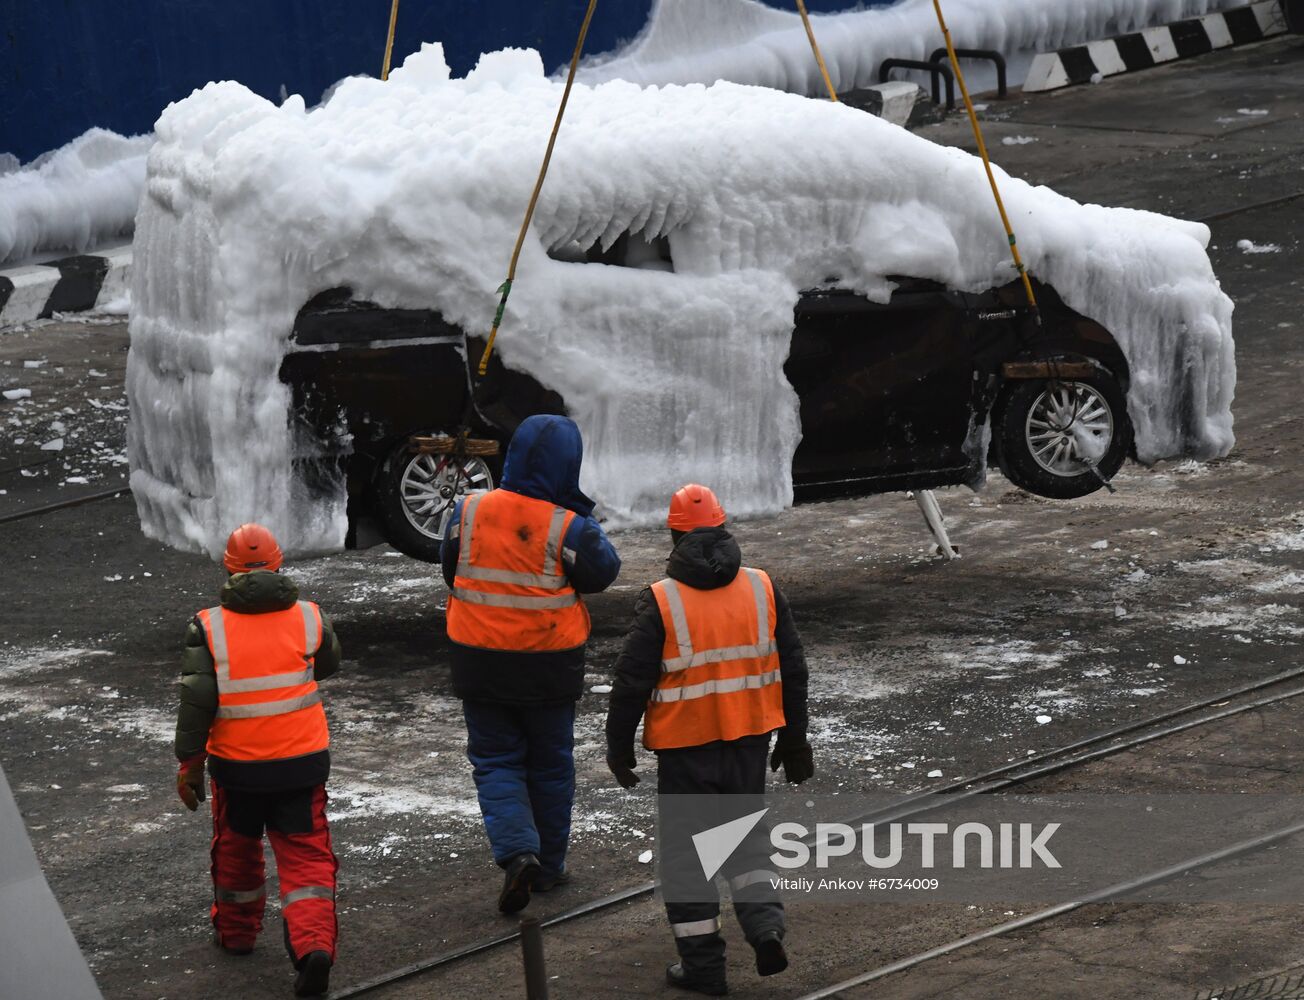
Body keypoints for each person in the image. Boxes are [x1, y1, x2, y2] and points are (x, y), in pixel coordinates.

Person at [605, 484, 813, 996]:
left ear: (675, 535)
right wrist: (793, 739)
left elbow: (631, 680)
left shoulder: (662, 600)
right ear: (723, 527)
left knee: (688, 861)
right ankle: (765, 931)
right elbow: (793, 669)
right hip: (748, 742)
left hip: (685, 754)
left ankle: (703, 969)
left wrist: (619, 745)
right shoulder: (762, 587)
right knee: (744, 845)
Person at [441, 414, 621, 913]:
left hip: (478, 661)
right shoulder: (569, 526)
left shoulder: (468, 511)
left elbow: (450, 567)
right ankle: (550, 866)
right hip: (548, 667)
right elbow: (604, 573)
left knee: (496, 760)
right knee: (550, 765)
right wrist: (580, 517)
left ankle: (520, 852)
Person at [174, 523, 342, 999]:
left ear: (228, 567)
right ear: (278, 562)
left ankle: (238, 935)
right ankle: (314, 950)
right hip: (301, 764)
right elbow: (329, 662)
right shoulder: (309, 617)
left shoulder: (208, 626)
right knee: (307, 858)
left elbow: (196, 701)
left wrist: (189, 763)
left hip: (238, 768)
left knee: (237, 851)